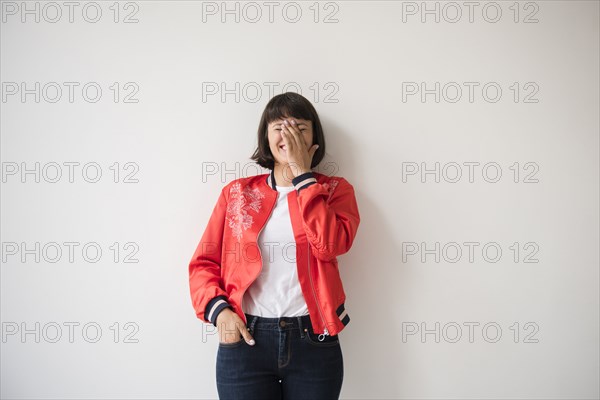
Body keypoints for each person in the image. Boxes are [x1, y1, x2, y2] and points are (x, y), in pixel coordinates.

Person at [188, 92, 361, 400]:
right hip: (246, 339)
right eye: (279, 126)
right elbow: (203, 263)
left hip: (314, 340)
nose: (289, 134)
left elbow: (329, 245)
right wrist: (220, 312)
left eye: (299, 127)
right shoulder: (237, 194)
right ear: (266, 136)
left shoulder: (335, 191)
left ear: (314, 139)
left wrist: (303, 176)